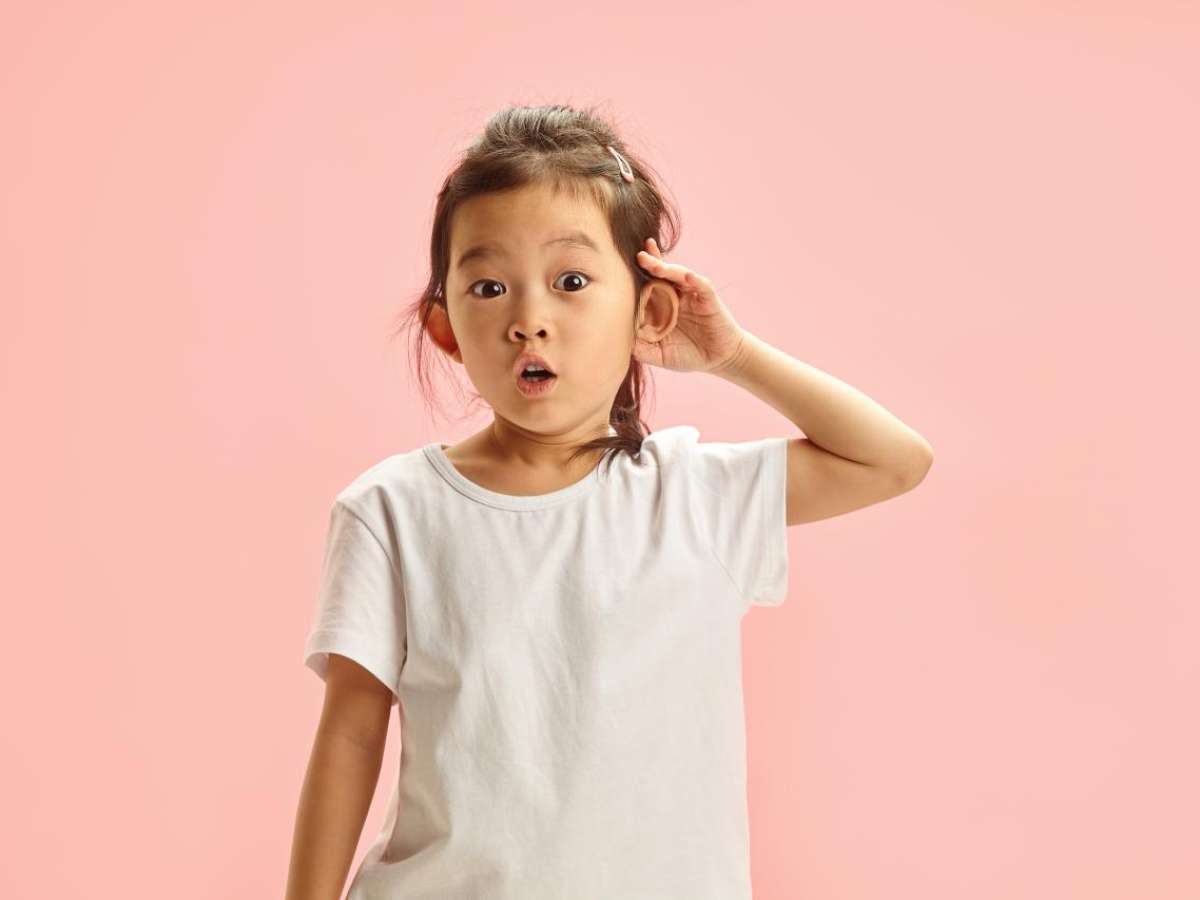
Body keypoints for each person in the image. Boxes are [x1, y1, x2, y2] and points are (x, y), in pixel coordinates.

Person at [285, 103, 934, 900]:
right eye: (489, 287)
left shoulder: (696, 497)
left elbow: (894, 461)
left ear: (648, 310)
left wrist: (733, 356)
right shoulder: (392, 511)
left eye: (572, 282)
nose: (530, 320)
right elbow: (351, 734)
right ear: (445, 326)